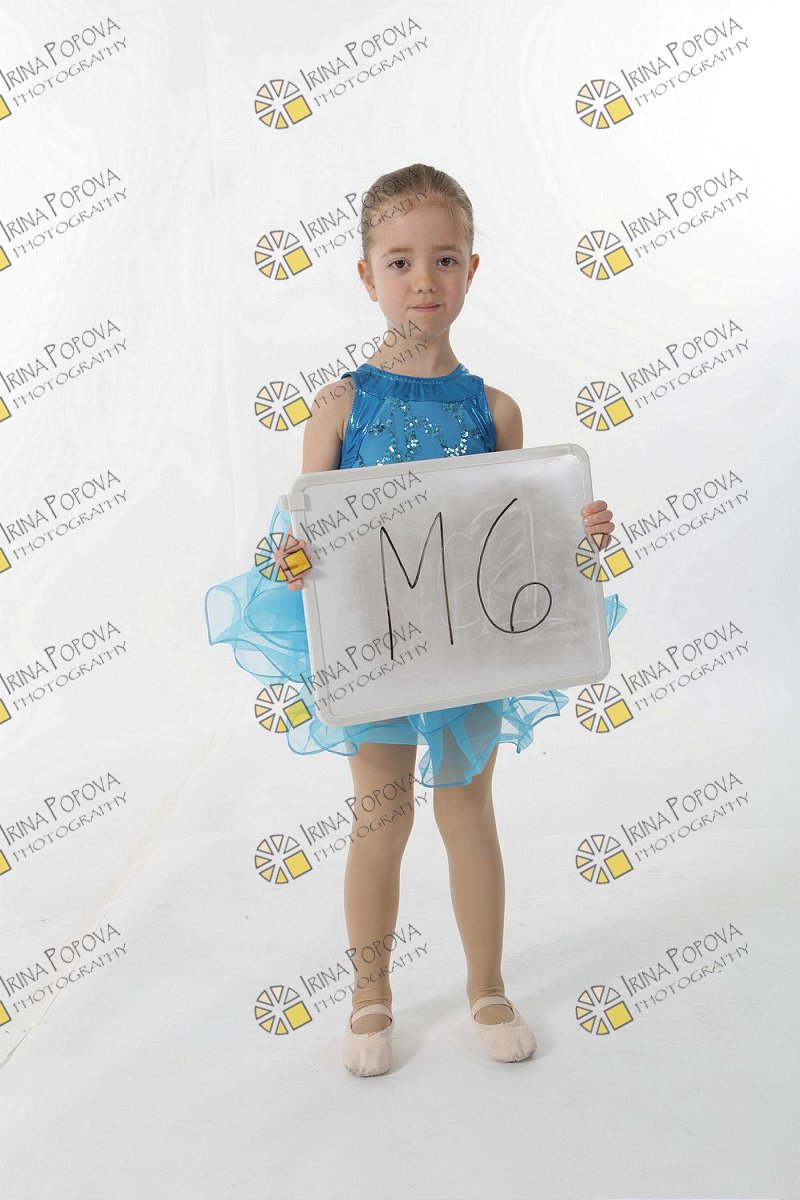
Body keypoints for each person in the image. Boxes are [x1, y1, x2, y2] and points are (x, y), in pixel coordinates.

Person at [205, 163, 627, 1077]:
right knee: (380, 817)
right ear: (367, 276)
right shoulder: (339, 405)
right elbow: (303, 532)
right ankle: (371, 994)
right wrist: (290, 557)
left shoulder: (495, 410)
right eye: (400, 262)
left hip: (471, 644)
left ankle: (487, 986)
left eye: (443, 259)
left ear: (472, 268)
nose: (423, 281)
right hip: (374, 648)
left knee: (468, 808)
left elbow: (516, 541)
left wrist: (578, 530)